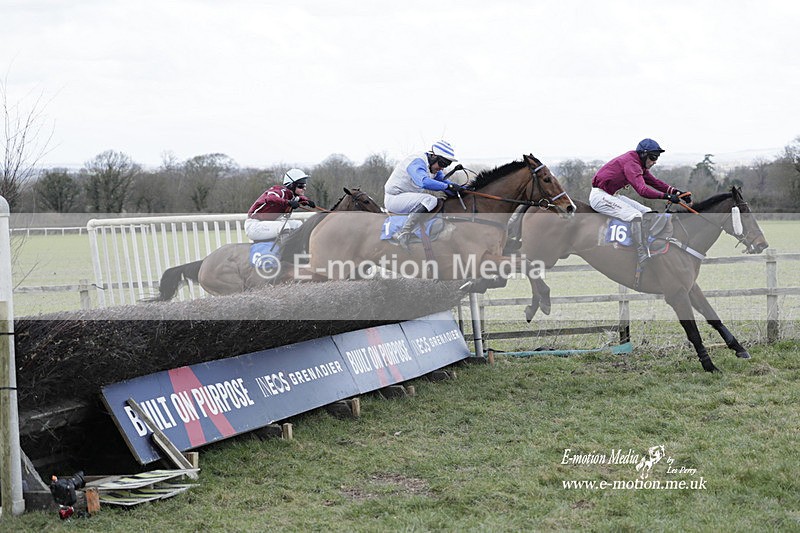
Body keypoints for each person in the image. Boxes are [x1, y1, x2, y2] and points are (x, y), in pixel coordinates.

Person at [589, 138, 691, 264]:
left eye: (657, 158)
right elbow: (643, 191)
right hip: (600, 197)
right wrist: (668, 197)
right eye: (653, 157)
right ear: (643, 154)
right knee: (636, 215)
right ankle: (640, 253)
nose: (655, 162)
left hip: (612, 195)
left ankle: (648, 244)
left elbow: (655, 182)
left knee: (647, 212)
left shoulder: (638, 163)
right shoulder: (632, 164)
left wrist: (676, 192)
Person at [384, 140, 464, 250]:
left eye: (446, 165)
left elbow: (446, 183)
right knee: (431, 200)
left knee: (434, 201)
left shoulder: (432, 167)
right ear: (433, 156)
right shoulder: (417, 161)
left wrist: (462, 189)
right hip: (394, 199)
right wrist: (448, 187)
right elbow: (424, 182)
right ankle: (404, 232)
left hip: (407, 199)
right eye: (442, 163)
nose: (442, 168)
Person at [245, 168, 316, 242]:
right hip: (254, 226)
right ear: (292, 185)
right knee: (284, 226)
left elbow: (300, 198)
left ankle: (300, 249)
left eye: (304, 186)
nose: (304, 188)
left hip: (268, 225)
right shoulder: (279, 191)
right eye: (301, 186)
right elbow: (270, 198)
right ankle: (286, 252)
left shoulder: (292, 196)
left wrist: (307, 201)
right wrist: (288, 203)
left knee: (298, 225)